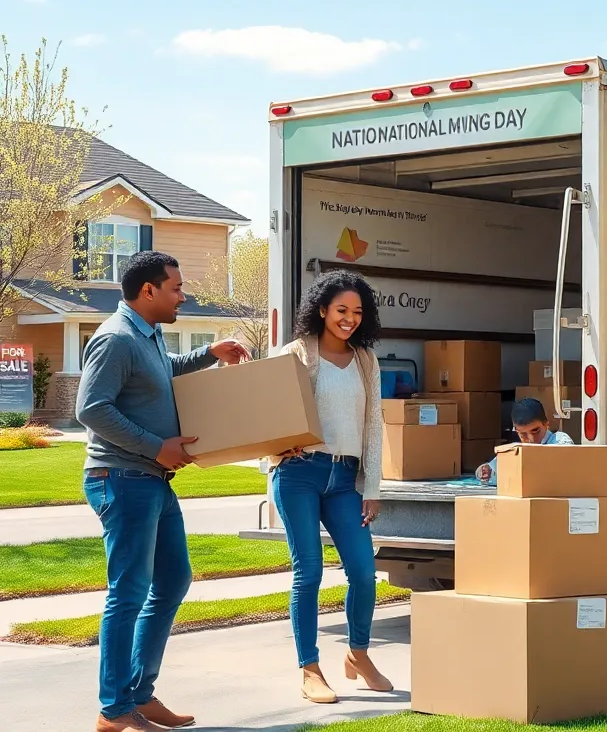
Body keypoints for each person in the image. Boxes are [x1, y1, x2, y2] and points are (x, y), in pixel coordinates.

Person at [76, 251, 249, 732]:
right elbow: (91, 408)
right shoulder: (115, 338)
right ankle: (114, 711)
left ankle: (139, 695)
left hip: (150, 479)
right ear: (148, 290)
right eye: (176, 287)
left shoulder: (146, 336)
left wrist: (208, 355)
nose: (183, 294)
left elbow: (162, 370)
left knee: (173, 580)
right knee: (127, 594)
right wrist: (157, 447)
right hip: (123, 478)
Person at [267, 270, 390, 705]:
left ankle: (358, 654)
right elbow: (272, 412)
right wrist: (282, 447)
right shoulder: (298, 353)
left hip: (345, 479)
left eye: (358, 312)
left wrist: (371, 487)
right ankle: (310, 669)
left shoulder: (365, 360)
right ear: (322, 310)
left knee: (362, 569)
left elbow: (373, 425)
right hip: (299, 474)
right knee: (310, 571)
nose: (350, 319)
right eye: (342, 310)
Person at [476, 396, 574, 485]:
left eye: (535, 431)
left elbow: (564, 467)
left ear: (546, 424)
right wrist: (485, 472)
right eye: (523, 434)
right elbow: (491, 468)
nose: (531, 439)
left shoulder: (560, 440)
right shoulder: (516, 450)